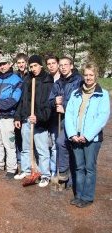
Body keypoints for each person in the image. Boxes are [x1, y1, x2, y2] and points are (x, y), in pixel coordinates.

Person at [65, 62, 110, 208]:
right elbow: (69, 114)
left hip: (92, 138)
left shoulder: (102, 94)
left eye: (91, 75)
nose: (88, 77)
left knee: (89, 168)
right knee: (79, 167)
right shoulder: (75, 93)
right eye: (86, 74)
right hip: (76, 137)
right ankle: (78, 195)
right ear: (83, 75)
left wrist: (87, 135)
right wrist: (72, 134)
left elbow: (102, 117)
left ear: (95, 76)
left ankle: (87, 197)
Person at [14, 55, 53, 188]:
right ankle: (26, 170)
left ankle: (45, 175)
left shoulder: (47, 80)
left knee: (42, 150)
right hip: (26, 119)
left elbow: (49, 105)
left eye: (35, 66)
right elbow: (22, 100)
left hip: (39, 122)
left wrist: (39, 117)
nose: (33, 68)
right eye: (31, 66)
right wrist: (18, 117)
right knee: (25, 148)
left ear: (41, 66)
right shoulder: (27, 79)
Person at [0, 56, 23, 179]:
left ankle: (12, 168)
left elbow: (14, 99)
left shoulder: (16, 80)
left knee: (9, 143)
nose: (2, 66)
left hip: (7, 116)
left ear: (10, 64)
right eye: (0, 64)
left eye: (4, 64)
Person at [48, 56, 83, 184]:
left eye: (66, 65)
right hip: (62, 121)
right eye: (61, 65)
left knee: (70, 147)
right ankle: (64, 173)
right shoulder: (58, 83)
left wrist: (65, 107)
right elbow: (50, 100)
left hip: (76, 121)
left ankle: (71, 178)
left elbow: (80, 102)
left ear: (71, 66)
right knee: (62, 144)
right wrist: (54, 102)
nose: (63, 67)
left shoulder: (79, 81)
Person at [45, 54, 61, 177]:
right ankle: (49, 169)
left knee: (57, 145)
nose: (51, 66)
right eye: (49, 64)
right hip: (48, 117)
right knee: (48, 145)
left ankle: (55, 171)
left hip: (59, 118)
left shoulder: (62, 80)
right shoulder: (47, 79)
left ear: (58, 63)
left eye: (53, 63)